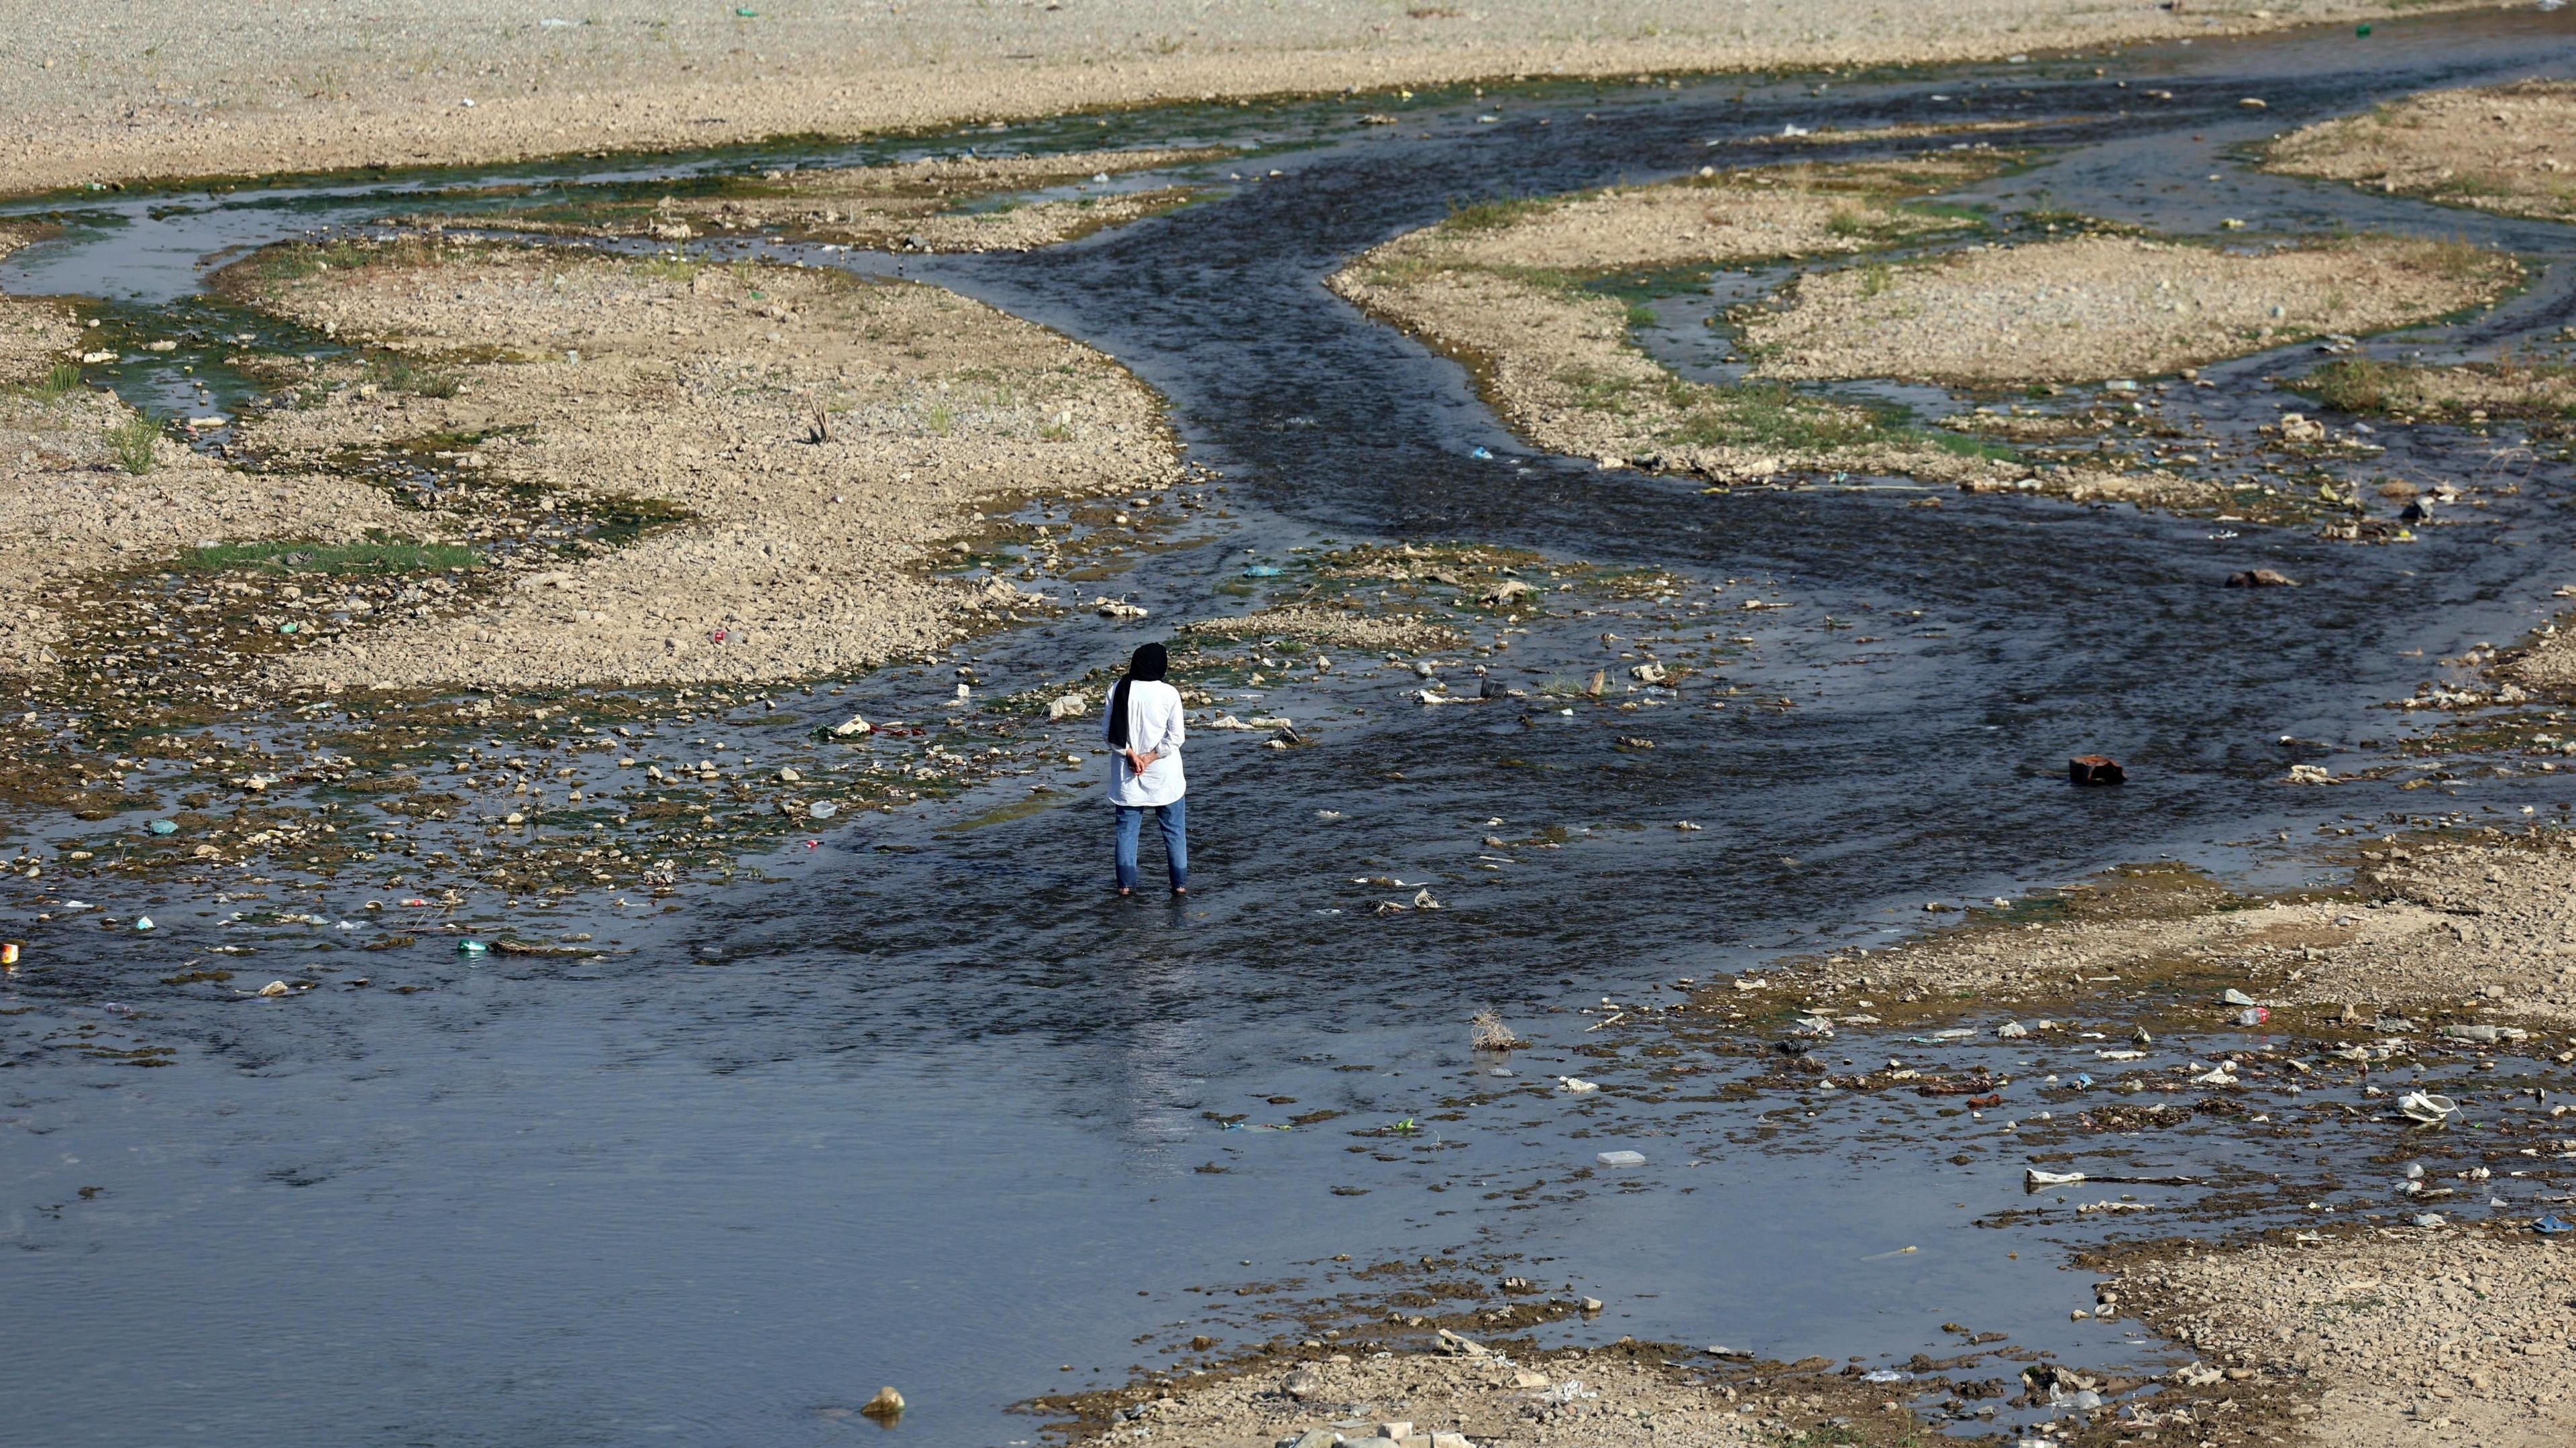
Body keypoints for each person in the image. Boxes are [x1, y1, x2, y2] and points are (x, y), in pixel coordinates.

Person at [1103, 641, 1187, 896]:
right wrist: (1149, 758)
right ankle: (1180, 886)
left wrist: (1130, 754)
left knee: (1127, 833)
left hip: (1127, 775)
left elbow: (1109, 734)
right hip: (1164, 775)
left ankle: (1125, 888)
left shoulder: (1117, 689)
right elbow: (1176, 737)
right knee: (1174, 832)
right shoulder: (1169, 693)